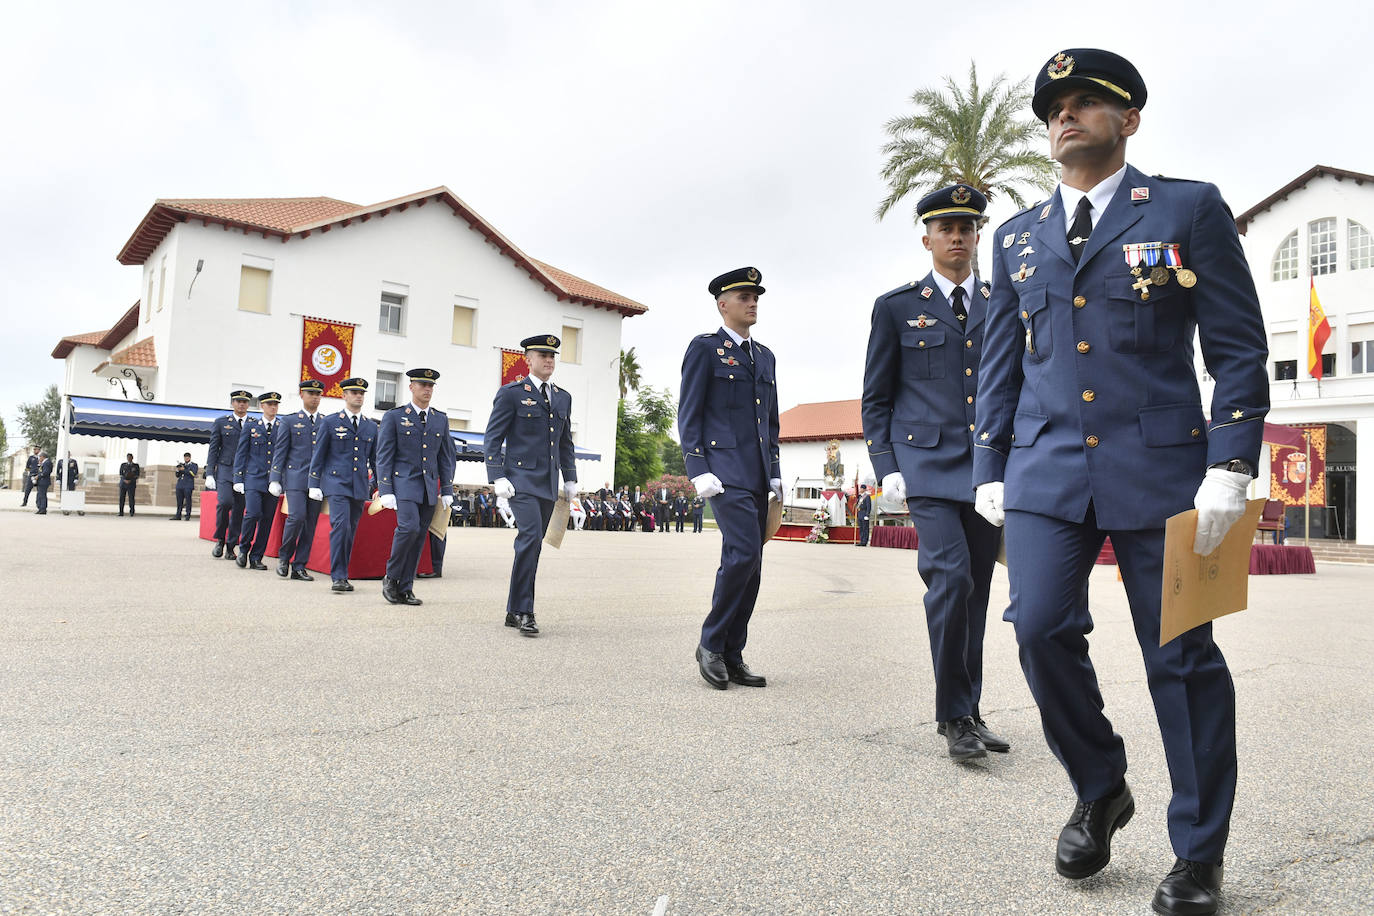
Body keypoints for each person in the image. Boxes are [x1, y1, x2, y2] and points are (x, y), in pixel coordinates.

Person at [971, 49, 1268, 916]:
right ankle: (1100, 785)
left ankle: (1199, 855)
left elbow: (1237, 348)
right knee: (1038, 631)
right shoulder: (1016, 235)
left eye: (1086, 101)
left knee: (1181, 659)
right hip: (1044, 468)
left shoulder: (1185, 207)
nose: (1066, 114)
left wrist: (1232, 461)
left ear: (1128, 118)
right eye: (1054, 105)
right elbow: (1001, 362)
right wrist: (991, 465)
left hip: (1168, 469)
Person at [861, 183, 1007, 761]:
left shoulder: (1001, 303)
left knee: (976, 591)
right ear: (926, 238)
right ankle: (953, 716)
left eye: (967, 227)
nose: (956, 236)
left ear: (978, 236)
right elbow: (876, 397)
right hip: (924, 467)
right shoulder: (897, 307)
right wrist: (885, 465)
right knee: (950, 580)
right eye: (945, 228)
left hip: (987, 471)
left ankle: (970, 707)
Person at [679, 267, 782, 690]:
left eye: (756, 296)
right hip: (722, 472)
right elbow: (689, 412)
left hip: (756, 473)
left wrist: (774, 474)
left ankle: (733, 650)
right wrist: (697, 468)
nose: (752, 302)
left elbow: (770, 423)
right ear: (723, 304)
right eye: (743, 296)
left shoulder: (766, 356)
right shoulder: (705, 349)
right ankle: (710, 643)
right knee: (742, 554)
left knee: (752, 566)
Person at [485, 334, 578, 636]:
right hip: (520, 481)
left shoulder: (563, 397)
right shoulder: (512, 393)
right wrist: (497, 476)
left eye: (552, 355)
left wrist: (571, 476)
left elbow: (565, 443)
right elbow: (493, 438)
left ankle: (513, 609)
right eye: (542, 355)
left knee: (533, 545)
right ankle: (525, 610)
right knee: (529, 538)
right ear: (527, 359)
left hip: (548, 484)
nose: (549, 360)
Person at [376, 368, 455, 605]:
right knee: (408, 528)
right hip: (404, 484)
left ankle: (406, 587)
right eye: (422, 385)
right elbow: (384, 456)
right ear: (411, 387)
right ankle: (391, 577)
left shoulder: (440, 419)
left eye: (430, 386)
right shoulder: (395, 416)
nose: (427, 389)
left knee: (419, 537)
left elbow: (445, 457)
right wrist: (386, 489)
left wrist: (448, 489)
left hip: (429, 487)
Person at [308, 378, 379, 593]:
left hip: (359, 485)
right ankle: (338, 576)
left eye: (361, 393)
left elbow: (375, 459)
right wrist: (314, 482)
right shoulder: (330, 422)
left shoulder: (370, 426)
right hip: (336, 483)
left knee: (351, 530)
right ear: (344, 395)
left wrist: (379, 486)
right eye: (354, 392)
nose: (358, 396)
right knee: (341, 527)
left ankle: (343, 573)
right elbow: (319, 455)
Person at [270, 379, 326, 579]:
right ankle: (284, 557)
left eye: (318, 394)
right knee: (297, 517)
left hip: (317, 482)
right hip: (295, 478)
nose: (315, 397)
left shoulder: (325, 422)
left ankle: (300, 565)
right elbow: (281, 451)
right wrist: (275, 478)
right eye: (311, 393)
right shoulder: (289, 421)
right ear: (302, 395)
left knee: (310, 523)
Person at [207, 390, 252, 559]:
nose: (241, 404)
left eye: (245, 401)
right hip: (226, 469)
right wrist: (210, 472)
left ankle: (231, 546)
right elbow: (213, 448)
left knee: (240, 509)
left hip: (246, 472)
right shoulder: (221, 423)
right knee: (225, 503)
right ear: (232, 403)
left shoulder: (254, 424)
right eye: (238, 401)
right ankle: (220, 539)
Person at [171, 452, 197, 520]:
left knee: (188, 501)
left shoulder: (193, 465)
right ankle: (178, 515)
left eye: (187, 457)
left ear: (190, 458)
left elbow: (193, 473)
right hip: (180, 485)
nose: (186, 458)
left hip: (188, 485)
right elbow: (177, 475)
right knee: (179, 501)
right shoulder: (182, 465)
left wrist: (184, 470)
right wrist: (178, 470)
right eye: (185, 457)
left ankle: (187, 515)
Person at [33, 451, 53, 515]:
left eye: (40, 457)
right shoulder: (44, 462)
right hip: (41, 481)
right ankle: (41, 508)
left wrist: (38, 476)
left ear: (42, 457)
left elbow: (45, 472)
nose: (39, 458)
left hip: (43, 481)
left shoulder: (47, 462)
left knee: (42, 495)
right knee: (40, 495)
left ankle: (43, 509)